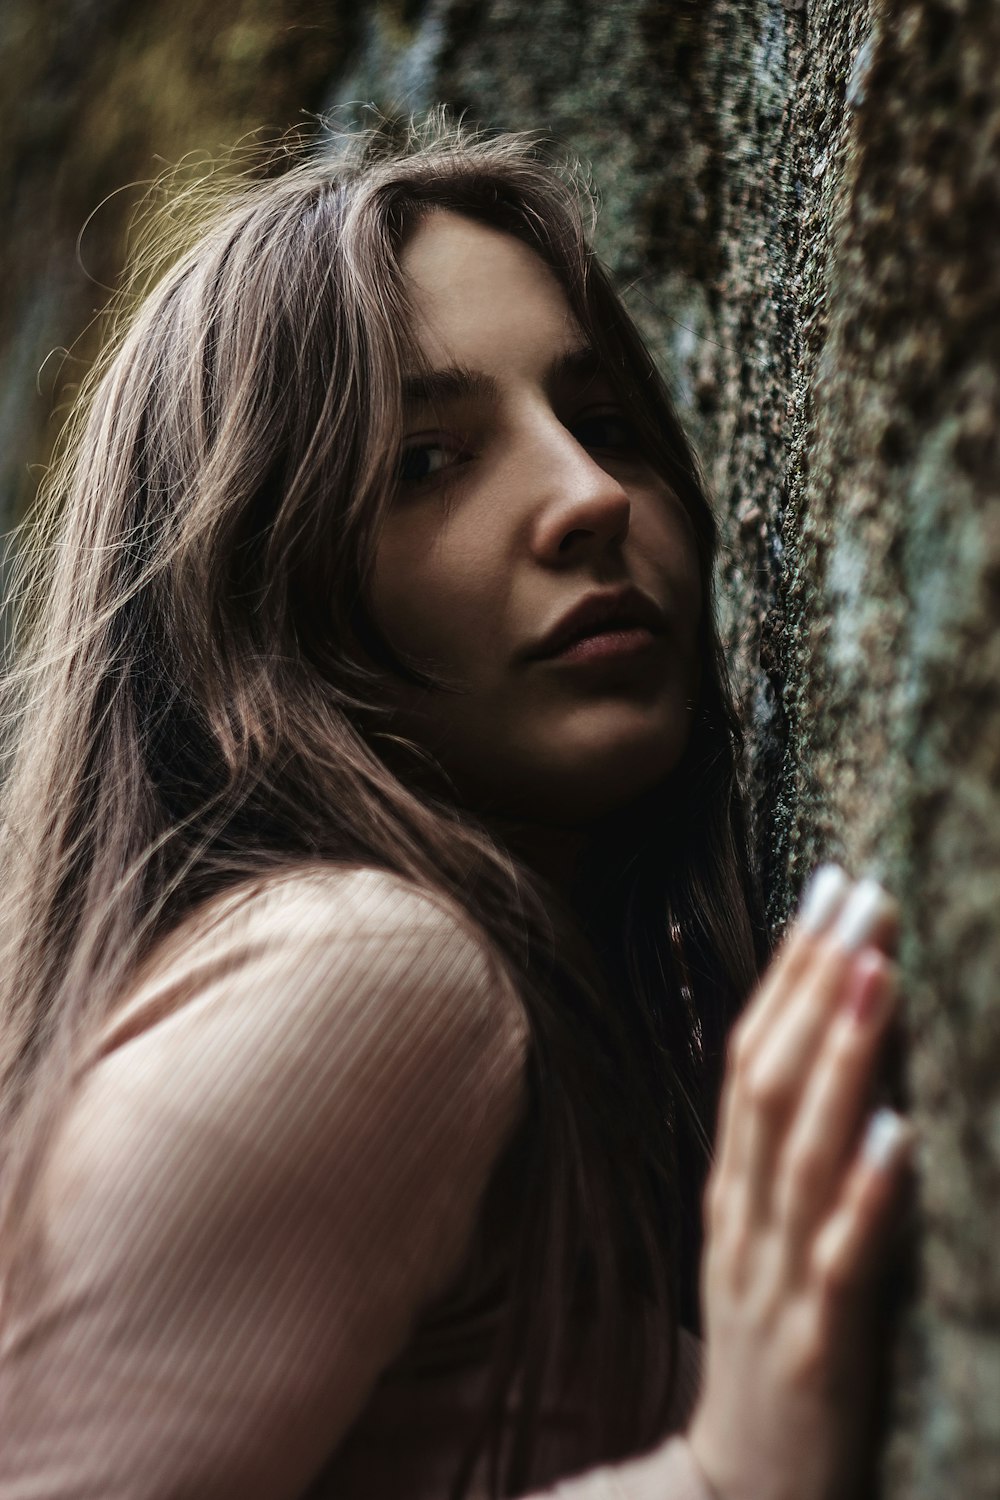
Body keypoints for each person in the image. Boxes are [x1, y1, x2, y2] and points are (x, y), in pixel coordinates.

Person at [0, 115, 911, 1499]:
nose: (590, 498)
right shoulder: (363, 968)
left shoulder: (554, 1017)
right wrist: (723, 1477)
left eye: (603, 423)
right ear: (261, 592)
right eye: (429, 461)